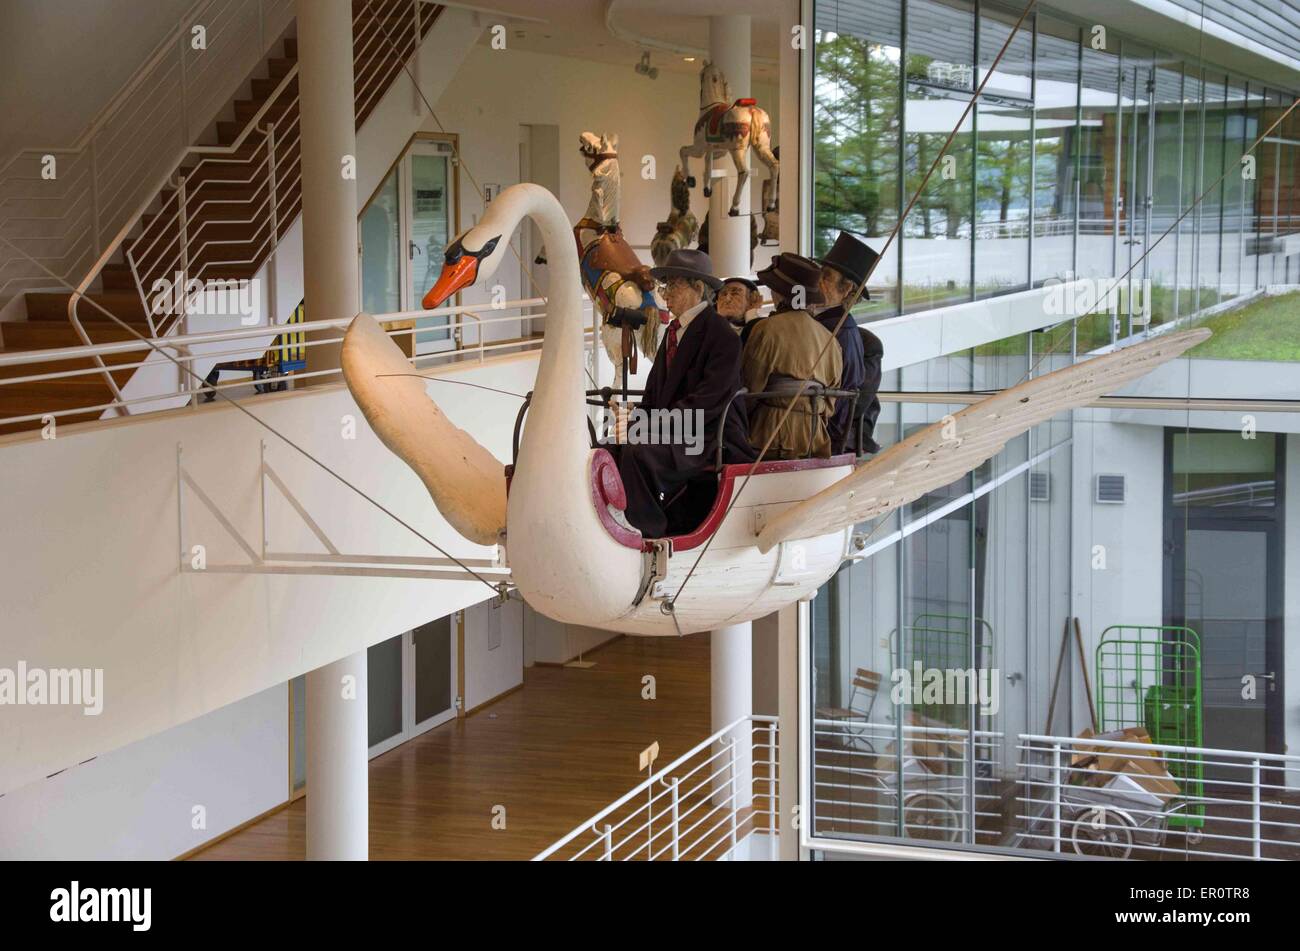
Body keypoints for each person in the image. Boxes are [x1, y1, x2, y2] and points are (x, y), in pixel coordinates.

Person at [613, 249, 755, 538]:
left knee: (638, 454)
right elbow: (654, 395)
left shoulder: (722, 337)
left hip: (709, 435)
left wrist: (646, 426)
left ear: (698, 288)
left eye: (674, 285)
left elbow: (706, 405)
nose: (666, 294)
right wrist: (633, 420)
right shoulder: (673, 333)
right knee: (607, 449)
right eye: (665, 286)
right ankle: (619, 522)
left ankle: (649, 531)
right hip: (677, 429)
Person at [743, 252, 843, 460]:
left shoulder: (766, 329)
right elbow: (831, 403)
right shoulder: (831, 341)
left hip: (770, 435)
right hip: (815, 438)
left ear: (779, 293)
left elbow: (749, 390)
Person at [816, 230, 882, 453]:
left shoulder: (839, 331)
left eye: (825, 276)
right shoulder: (830, 324)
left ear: (846, 290)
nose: (817, 281)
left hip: (824, 438)